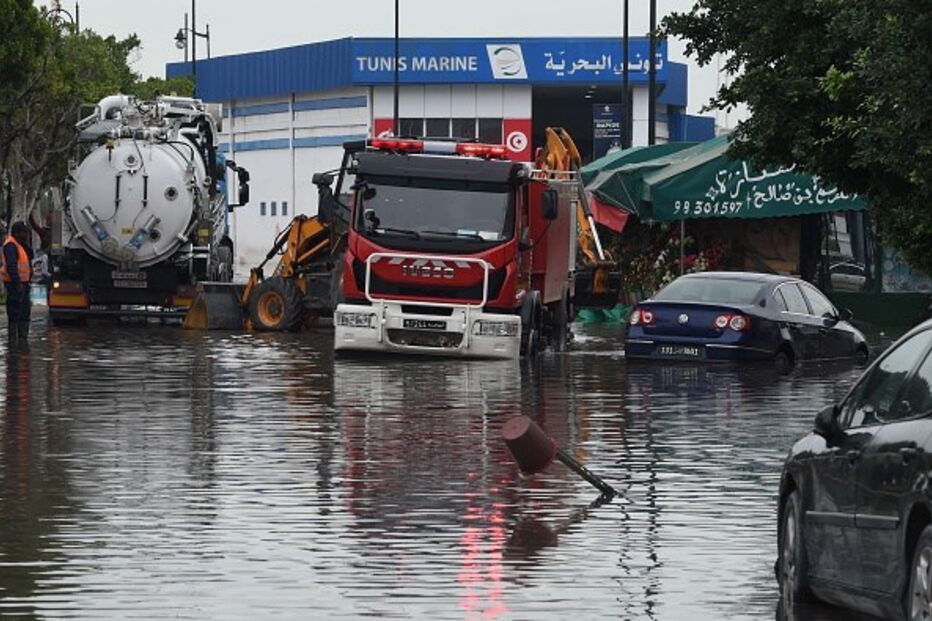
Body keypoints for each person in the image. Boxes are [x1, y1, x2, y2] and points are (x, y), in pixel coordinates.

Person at [1, 222, 34, 345]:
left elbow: (30, 256)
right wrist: (17, 283)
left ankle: (22, 340)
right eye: (24, 232)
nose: (25, 235)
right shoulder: (10, 245)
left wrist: (26, 244)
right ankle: (13, 340)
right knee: (15, 312)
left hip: (23, 284)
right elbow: (11, 266)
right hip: (15, 285)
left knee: (25, 312)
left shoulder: (21, 245)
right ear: (17, 233)